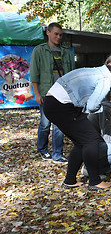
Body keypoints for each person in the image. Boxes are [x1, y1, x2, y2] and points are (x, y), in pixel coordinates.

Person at [43, 53, 111, 190]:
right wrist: (106, 106)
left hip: (53, 104)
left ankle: (70, 180)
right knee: (91, 140)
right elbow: (92, 106)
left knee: (81, 142)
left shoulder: (99, 71)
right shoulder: (106, 79)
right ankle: (95, 181)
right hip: (60, 106)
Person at [30, 22, 75, 164]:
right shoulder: (39, 50)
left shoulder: (67, 52)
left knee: (59, 125)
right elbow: (34, 74)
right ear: (48, 33)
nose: (58, 37)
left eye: (60, 35)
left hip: (62, 94)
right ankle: (42, 149)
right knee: (44, 124)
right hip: (45, 93)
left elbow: (72, 75)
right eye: (56, 33)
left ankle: (57, 154)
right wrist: (36, 93)